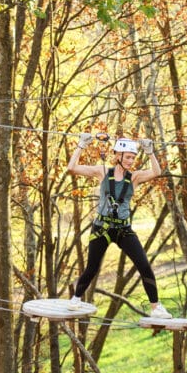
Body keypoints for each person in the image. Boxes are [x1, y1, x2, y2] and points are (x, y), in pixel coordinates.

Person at [67, 133, 173, 319]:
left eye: (133, 157)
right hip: (102, 228)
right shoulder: (102, 172)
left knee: (144, 265)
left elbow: (157, 172)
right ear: (118, 156)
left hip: (124, 231)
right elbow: (72, 168)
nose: (132, 161)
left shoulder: (135, 177)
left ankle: (156, 307)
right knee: (92, 267)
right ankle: (76, 298)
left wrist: (150, 152)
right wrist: (81, 145)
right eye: (128, 157)